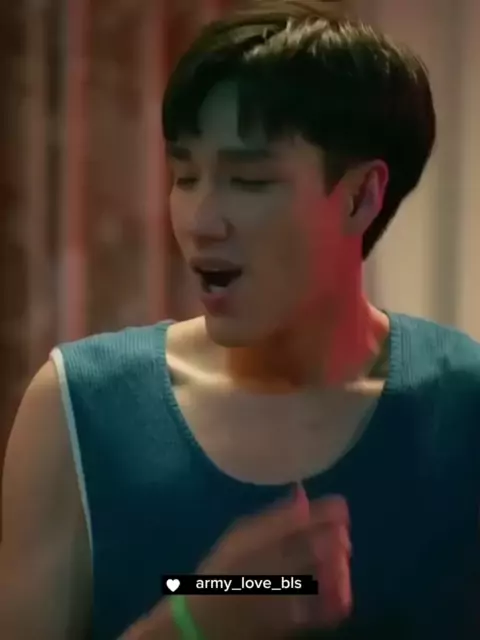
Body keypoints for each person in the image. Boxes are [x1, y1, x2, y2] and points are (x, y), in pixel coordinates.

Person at [1, 0, 480, 638]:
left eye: (249, 181)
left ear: (361, 197)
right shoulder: (78, 408)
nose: (201, 221)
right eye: (185, 176)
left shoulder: (463, 406)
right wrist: (194, 617)